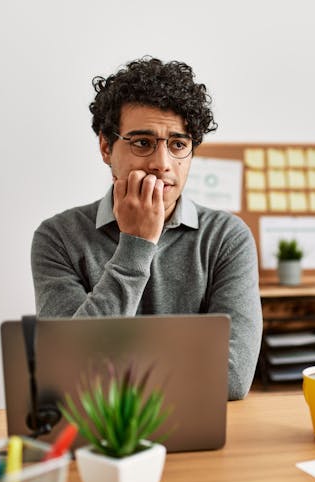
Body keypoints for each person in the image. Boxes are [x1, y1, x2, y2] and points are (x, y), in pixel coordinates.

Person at [30, 56, 262, 400]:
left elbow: (230, 378)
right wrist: (137, 244)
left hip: (200, 436)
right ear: (106, 147)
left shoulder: (227, 238)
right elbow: (72, 373)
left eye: (178, 145)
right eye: (142, 143)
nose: (162, 163)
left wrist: (110, 369)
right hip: (99, 441)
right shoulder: (58, 238)